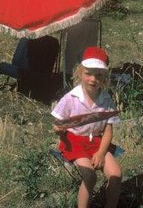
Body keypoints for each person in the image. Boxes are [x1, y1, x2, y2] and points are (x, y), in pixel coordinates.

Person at [51, 46, 122, 208]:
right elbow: (57, 124)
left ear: (105, 77)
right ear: (79, 73)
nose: (93, 79)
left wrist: (101, 152)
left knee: (116, 174)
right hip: (74, 141)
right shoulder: (71, 98)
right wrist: (60, 129)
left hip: (97, 142)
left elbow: (108, 132)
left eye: (98, 75)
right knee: (90, 176)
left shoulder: (106, 100)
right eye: (88, 73)